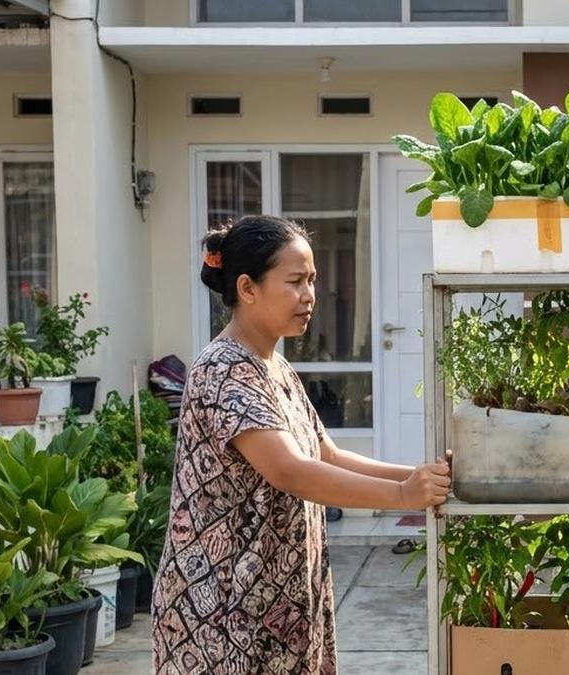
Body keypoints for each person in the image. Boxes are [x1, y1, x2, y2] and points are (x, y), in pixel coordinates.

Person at [152, 215, 450, 674]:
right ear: (248, 288)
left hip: (275, 601)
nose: (309, 296)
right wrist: (402, 497)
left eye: (311, 280)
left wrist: (415, 475)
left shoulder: (275, 368)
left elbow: (325, 453)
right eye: (294, 282)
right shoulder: (223, 369)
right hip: (224, 610)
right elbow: (289, 470)